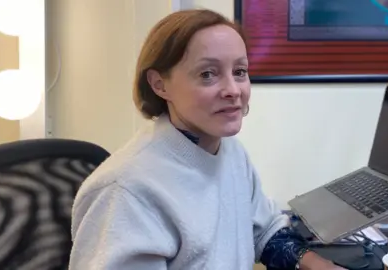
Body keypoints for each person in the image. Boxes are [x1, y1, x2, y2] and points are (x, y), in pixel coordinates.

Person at [68, 9, 346, 270]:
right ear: (159, 84)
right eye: (208, 74)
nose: (233, 90)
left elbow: (263, 232)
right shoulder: (126, 191)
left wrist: (314, 263)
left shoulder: (231, 153)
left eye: (240, 72)